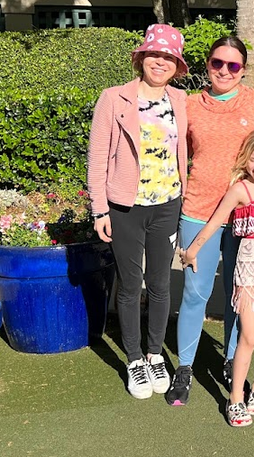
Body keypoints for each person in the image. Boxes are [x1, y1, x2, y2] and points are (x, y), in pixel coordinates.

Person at [166, 36, 254, 406]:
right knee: (194, 293)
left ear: (243, 69)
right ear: (207, 64)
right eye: (217, 63)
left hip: (248, 221)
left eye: (233, 66)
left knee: (239, 297)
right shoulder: (188, 105)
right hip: (199, 209)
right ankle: (185, 368)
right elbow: (169, 153)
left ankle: (232, 359)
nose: (224, 71)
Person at [87, 24, 189, 399]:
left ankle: (154, 354)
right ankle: (133, 360)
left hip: (168, 206)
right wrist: (100, 211)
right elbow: (98, 158)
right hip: (124, 208)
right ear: (141, 58)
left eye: (168, 57)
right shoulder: (114, 99)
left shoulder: (180, 101)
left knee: (160, 285)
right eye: (154, 55)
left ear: (176, 66)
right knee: (130, 287)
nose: (160, 62)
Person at [179, 127, 254, 427]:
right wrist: (193, 250)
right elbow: (215, 221)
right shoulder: (240, 189)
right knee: (250, 334)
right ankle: (235, 398)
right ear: (246, 159)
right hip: (250, 270)